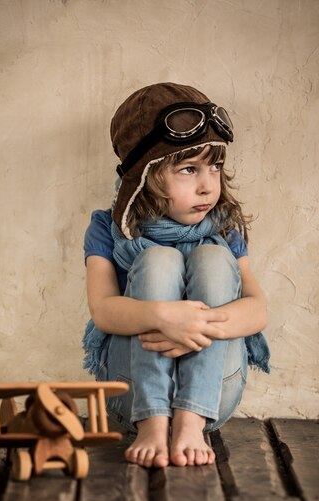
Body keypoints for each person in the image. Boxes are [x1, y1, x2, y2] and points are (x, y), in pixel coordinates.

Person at [83, 82, 269, 469]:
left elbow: (258, 311)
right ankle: (152, 422)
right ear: (145, 175)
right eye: (188, 169)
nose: (207, 185)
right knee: (159, 261)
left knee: (214, 260)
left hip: (214, 393)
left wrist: (197, 325)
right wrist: (166, 318)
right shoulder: (107, 227)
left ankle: (190, 421)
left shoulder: (226, 228)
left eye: (214, 167)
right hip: (129, 390)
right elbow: (103, 311)